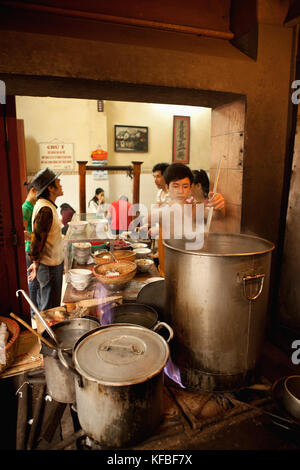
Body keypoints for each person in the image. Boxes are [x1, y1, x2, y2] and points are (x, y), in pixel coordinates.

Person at [27, 168, 64, 311]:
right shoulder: (45, 209)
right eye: (58, 183)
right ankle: (45, 334)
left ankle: (48, 333)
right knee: (49, 310)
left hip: (52, 266)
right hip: (49, 267)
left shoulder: (48, 206)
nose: (61, 186)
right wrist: (35, 263)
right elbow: (36, 240)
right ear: (50, 187)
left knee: (52, 307)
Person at [22, 182, 40, 314]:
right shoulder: (25, 208)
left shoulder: (32, 206)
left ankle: (37, 309)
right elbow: (22, 233)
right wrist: (36, 238)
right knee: (33, 281)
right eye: (38, 192)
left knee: (37, 281)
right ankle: (33, 312)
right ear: (33, 190)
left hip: (34, 248)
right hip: (29, 249)